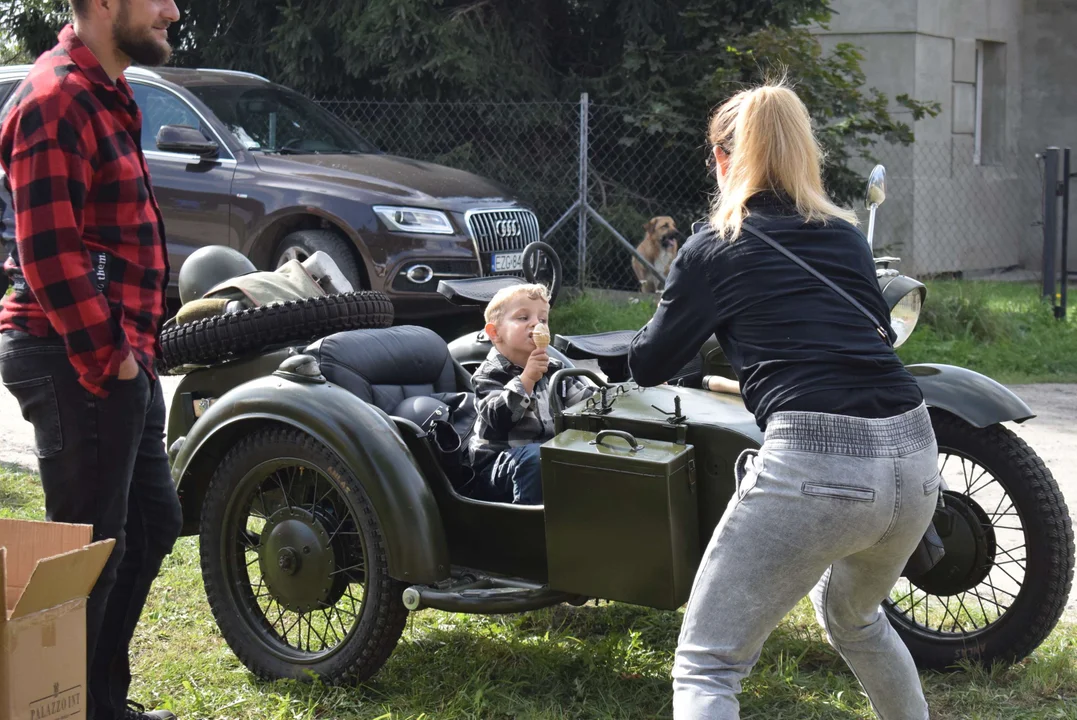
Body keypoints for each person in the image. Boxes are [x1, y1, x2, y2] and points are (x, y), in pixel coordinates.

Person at [628, 79, 938, 720]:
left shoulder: (714, 248)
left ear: (723, 160)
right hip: (914, 453)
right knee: (857, 620)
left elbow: (649, 361)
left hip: (816, 462)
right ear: (804, 153)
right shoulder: (847, 237)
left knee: (708, 664)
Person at [0, 1, 182, 719]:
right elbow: (47, 252)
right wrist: (115, 360)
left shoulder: (109, 91)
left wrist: (133, 357)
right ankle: (44, 708)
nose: (173, 9)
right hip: (76, 355)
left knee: (151, 526)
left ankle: (98, 705)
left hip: (116, 353)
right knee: (82, 562)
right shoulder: (55, 100)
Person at [468, 283, 594, 504]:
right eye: (523, 318)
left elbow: (587, 401)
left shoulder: (554, 369)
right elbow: (499, 419)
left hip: (547, 459)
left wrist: (625, 393)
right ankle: (530, 527)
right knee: (538, 457)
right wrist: (526, 380)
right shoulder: (488, 375)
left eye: (543, 320)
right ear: (494, 332)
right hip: (498, 468)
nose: (536, 324)